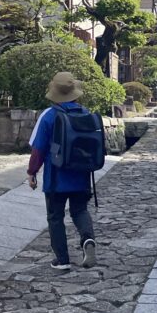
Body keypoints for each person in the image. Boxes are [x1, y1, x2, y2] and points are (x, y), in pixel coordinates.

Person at [27, 72, 98, 271]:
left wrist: (32, 172)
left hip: (56, 178)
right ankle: (88, 240)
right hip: (81, 175)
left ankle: (62, 259)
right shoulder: (85, 113)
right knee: (80, 211)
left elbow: (38, 149)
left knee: (55, 216)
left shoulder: (49, 116)